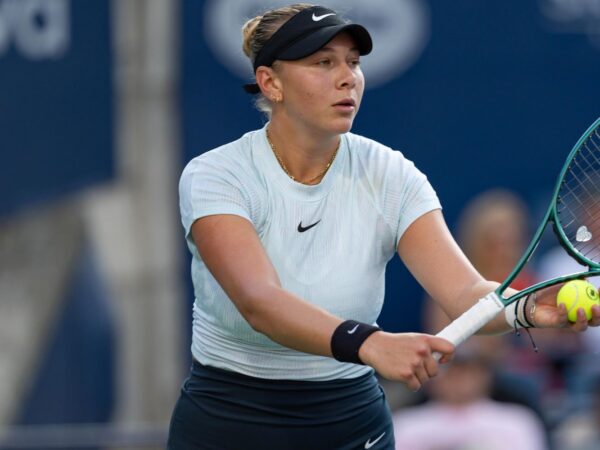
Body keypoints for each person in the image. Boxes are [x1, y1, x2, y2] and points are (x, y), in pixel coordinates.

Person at [167, 4, 599, 449]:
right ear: (270, 82)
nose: (347, 77)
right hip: (230, 417)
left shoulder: (392, 174)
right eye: (323, 63)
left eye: (353, 62)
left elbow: (465, 295)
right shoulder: (217, 175)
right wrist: (371, 343)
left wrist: (527, 307)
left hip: (349, 418)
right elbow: (260, 302)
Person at [392, 343, 548, 450]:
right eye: (452, 371)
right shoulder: (405, 425)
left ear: (485, 375)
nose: (460, 378)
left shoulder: (516, 421)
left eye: (468, 371)